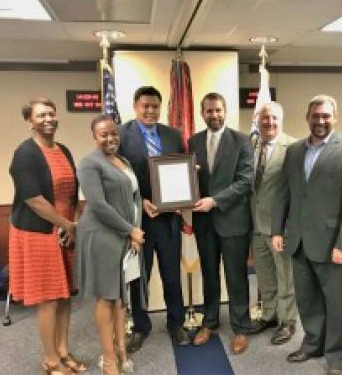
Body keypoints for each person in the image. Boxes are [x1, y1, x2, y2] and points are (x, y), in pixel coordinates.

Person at [271, 94, 342, 375]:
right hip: (298, 241)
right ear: (307, 117)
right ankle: (313, 343)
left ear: (335, 118)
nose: (321, 121)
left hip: (333, 245)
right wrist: (278, 230)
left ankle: (338, 357)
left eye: (326, 116)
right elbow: (284, 193)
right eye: (316, 116)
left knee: (337, 304)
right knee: (308, 299)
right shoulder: (295, 151)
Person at [8, 98, 86, 374]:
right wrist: (67, 224)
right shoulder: (25, 154)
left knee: (66, 296)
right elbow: (34, 200)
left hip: (65, 229)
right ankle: (51, 360)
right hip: (38, 233)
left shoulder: (63, 150)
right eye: (41, 115)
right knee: (49, 299)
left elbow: (74, 192)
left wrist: (71, 223)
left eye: (51, 114)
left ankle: (64, 351)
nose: (48, 119)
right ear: (29, 120)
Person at [118, 86, 190, 350]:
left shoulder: (173, 135)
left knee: (172, 275)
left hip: (168, 219)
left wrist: (181, 194)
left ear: (161, 108)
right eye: (145, 106)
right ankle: (140, 325)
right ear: (135, 106)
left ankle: (176, 323)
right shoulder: (120, 135)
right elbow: (117, 180)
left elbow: (182, 174)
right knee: (140, 278)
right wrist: (141, 202)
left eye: (154, 106)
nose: (150, 111)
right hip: (138, 222)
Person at [76, 115, 145, 375]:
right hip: (101, 236)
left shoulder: (123, 161)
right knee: (106, 298)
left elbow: (133, 197)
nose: (110, 138)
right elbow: (99, 205)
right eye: (103, 134)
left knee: (120, 300)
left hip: (123, 236)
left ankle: (121, 350)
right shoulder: (89, 164)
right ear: (95, 137)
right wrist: (131, 230)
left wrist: (133, 231)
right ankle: (108, 361)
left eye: (113, 133)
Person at [189, 92, 254, 354]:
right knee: (209, 274)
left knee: (236, 276)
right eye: (209, 111)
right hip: (204, 223)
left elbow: (245, 181)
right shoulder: (193, 141)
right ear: (202, 113)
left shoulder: (241, 141)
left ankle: (240, 327)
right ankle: (210, 321)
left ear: (225, 111)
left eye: (218, 110)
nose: (214, 115)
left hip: (233, 221)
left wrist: (214, 201)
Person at [250, 102, 298, 344]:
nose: (269, 122)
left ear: (282, 119)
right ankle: (269, 314)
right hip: (255, 226)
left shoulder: (294, 147)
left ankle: (288, 321)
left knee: (285, 276)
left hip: (280, 227)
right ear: (258, 119)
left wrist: (287, 226)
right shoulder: (250, 145)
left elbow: (297, 192)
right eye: (265, 118)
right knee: (265, 274)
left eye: (274, 118)